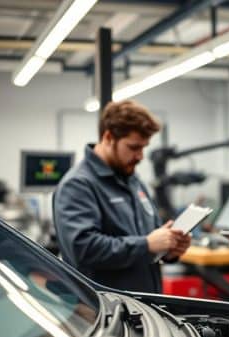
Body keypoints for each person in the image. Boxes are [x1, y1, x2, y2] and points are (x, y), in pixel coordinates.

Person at [53, 100, 190, 294]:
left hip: (145, 306)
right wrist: (147, 245)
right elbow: (83, 248)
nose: (140, 156)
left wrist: (168, 250)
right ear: (108, 137)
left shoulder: (132, 180)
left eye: (144, 147)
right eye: (134, 147)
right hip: (105, 311)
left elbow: (150, 237)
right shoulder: (78, 184)